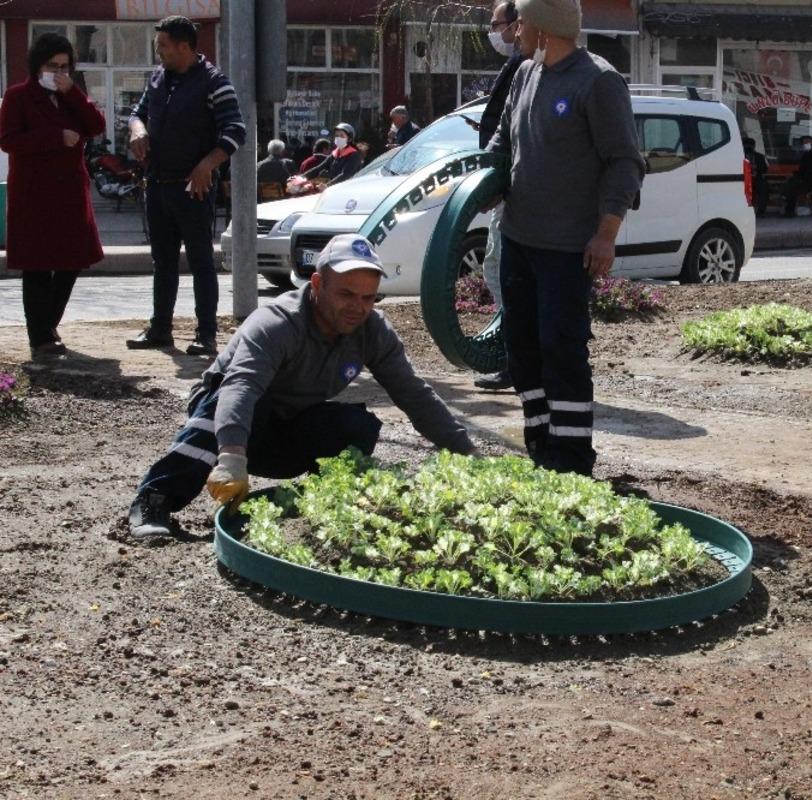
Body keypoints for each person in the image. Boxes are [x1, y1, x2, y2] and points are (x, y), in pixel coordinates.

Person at [127, 234, 477, 539]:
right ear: (318, 284)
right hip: (229, 426)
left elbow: (414, 394)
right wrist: (232, 456)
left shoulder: (373, 331)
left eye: (368, 298)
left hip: (287, 430)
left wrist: (469, 455)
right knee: (236, 401)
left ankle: (317, 502)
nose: (358, 307)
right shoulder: (276, 323)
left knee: (357, 426)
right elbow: (240, 388)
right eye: (346, 294)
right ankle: (154, 500)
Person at [487, 0, 644, 476]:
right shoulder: (524, 75)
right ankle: (541, 445)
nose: (514, 33)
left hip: (567, 249)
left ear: (543, 29)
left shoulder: (598, 81)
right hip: (518, 240)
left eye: (521, 24)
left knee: (561, 350)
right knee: (523, 349)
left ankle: (572, 458)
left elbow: (625, 163)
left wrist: (606, 234)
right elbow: (503, 143)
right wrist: (478, 184)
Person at [126, 15, 245, 357]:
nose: (158, 51)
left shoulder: (214, 82)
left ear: (184, 47)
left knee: (200, 261)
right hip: (157, 183)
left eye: (163, 45)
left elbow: (235, 131)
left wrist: (208, 164)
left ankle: (206, 334)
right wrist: (138, 130)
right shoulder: (157, 78)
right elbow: (137, 113)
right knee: (162, 261)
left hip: (194, 188)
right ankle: (160, 329)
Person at [0, 33, 105, 361]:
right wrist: (55, 137)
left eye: (64, 66)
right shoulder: (18, 96)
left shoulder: (71, 94)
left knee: (72, 261)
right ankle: (40, 337)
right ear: (37, 66)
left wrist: (72, 93)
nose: (58, 72)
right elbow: (9, 141)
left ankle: (48, 324)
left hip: (70, 194)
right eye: (52, 66)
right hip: (34, 194)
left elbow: (96, 125)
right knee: (37, 266)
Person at [473, 0, 526, 393]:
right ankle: (517, 355)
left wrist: (501, 180)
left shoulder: (527, 66)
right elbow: (504, 127)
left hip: (516, 190)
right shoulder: (519, 65)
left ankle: (518, 360)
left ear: (516, 23)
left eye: (497, 24)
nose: (494, 32)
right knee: (497, 267)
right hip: (507, 186)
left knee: (503, 270)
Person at [780, 135, 812, 218]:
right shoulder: (806, 155)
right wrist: (797, 175)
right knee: (792, 183)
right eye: (804, 142)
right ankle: (785, 201)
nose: (806, 144)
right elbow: (802, 170)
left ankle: (787, 207)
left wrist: (801, 178)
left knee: (793, 188)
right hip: (807, 180)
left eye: (808, 142)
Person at [742, 136, 769, 217]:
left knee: (764, 189)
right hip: (743, 179)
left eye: (750, 146)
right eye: (746, 146)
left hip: (757, 178)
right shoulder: (740, 156)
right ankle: (745, 210)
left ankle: (761, 211)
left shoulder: (759, 156)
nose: (748, 148)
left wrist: (756, 167)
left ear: (754, 146)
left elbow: (764, 169)